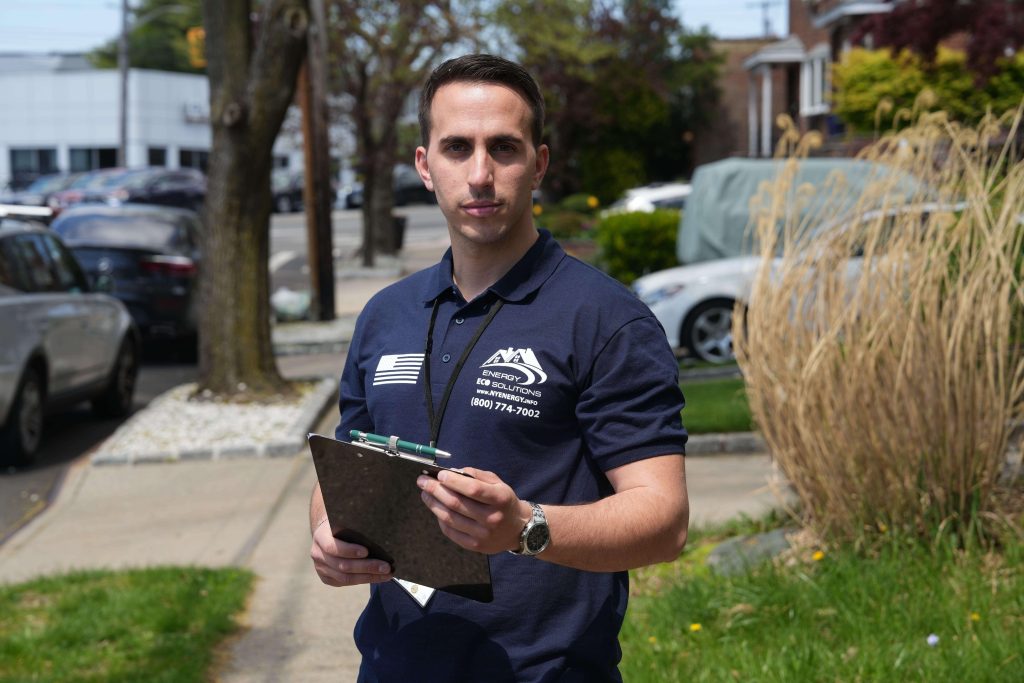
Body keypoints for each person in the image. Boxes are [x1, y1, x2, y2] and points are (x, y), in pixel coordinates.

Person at [309, 53, 689, 682]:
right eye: (457, 147)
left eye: (504, 148)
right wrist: (328, 533)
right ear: (425, 167)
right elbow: (344, 458)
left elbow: (663, 521)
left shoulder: (605, 319)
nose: (480, 174)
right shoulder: (385, 315)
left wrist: (524, 528)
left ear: (538, 163)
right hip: (391, 666)